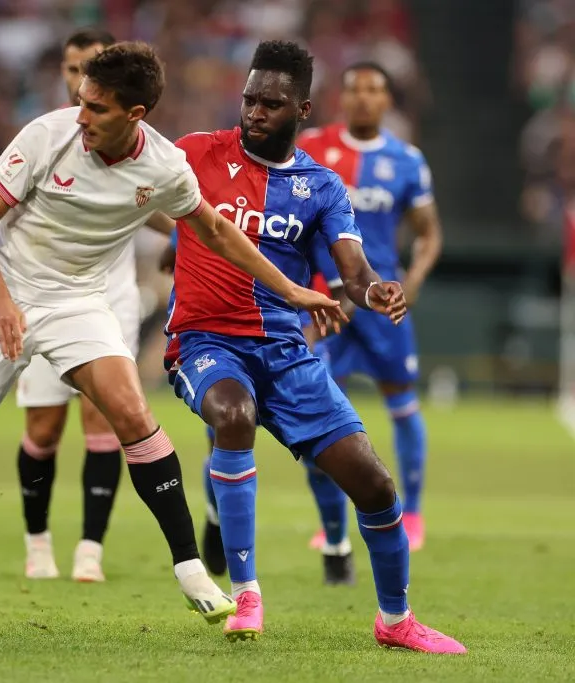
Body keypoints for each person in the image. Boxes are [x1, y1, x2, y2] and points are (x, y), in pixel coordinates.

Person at [0, 41, 343, 627]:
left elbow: (218, 233)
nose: (81, 117)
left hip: (77, 299)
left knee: (132, 413)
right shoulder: (47, 137)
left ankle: (190, 568)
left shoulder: (165, 167)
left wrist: (292, 289)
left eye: (96, 108)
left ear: (135, 115)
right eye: (80, 102)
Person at [163, 40, 465, 653]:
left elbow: (352, 270)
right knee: (232, 415)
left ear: (301, 108)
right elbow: (138, 182)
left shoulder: (321, 186)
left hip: (285, 350)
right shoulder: (196, 153)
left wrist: (376, 289)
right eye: (249, 99)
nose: (254, 112)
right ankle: (246, 594)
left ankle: (395, 620)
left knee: (376, 486)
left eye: (270, 104)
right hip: (205, 340)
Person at [13, 27, 173, 583]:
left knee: (104, 418)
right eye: (71, 67)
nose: (78, 77)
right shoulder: (47, 136)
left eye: (88, 67)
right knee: (43, 428)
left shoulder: (128, 141)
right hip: (41, 294)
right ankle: (38, 544)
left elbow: (148, 197)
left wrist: (181, 232)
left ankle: (90, 549)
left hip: (109, 295)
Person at [296, 62, 443, 562]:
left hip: (381, 304)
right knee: (317, 410)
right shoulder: (313, 146)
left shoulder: (406, 160)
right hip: (324, 303)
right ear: (342, 96)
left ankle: (416, 512)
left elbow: (429, 233)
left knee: (403, 405)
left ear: (387, 101)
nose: (362, 98)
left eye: (374, 90)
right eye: (354, 88)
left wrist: (415, 281)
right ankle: (331, 521)